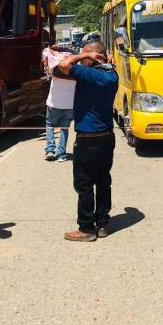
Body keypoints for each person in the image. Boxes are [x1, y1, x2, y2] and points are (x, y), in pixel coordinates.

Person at [57, 41, 119, 242]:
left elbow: (63, 65)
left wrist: (81, 57)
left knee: (84, 185)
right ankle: (102, 224)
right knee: (103, 181)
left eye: (85, 55)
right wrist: (95, 58)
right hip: (106, 137)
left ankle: (86, 228)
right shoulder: (112, 75)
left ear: (94, 57)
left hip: (87, 139)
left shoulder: (89, 73)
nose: (81, 58)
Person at [42, 45, 75, 162]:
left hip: (54, 104)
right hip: (69, 106)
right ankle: (61, 155)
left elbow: (47, 53)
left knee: (50, 125)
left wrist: (58, 49)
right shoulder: (75, 72)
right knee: (64, 129)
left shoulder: (55, 69)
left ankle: (50, 150)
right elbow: (76, 54)